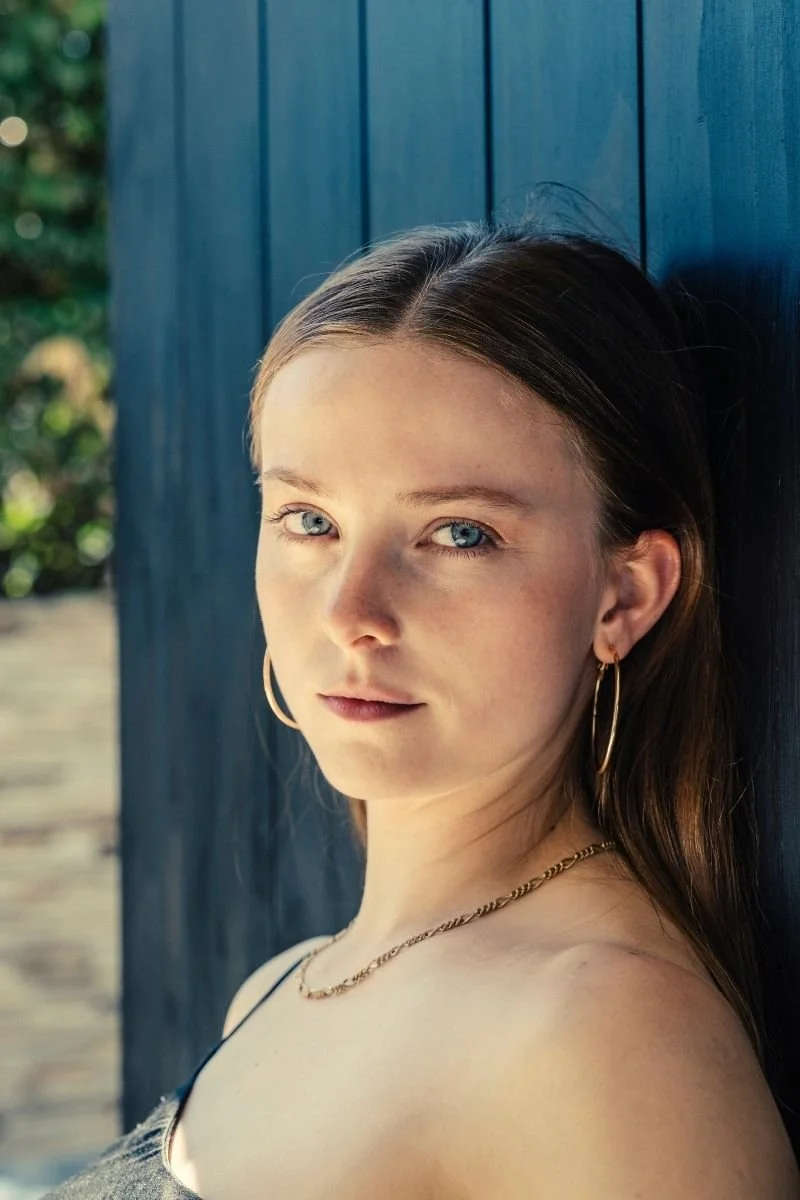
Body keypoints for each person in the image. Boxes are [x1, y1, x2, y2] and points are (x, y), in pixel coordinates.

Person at [46, 221, 800, 1198]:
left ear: (623, 596)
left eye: (456, 533)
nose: (349, 612)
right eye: (308, 520)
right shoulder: (283, 986)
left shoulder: (606, 1030)